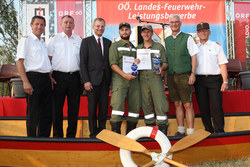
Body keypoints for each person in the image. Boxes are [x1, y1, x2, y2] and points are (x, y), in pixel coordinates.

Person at [16, 16, 52, 137]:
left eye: (42, 25)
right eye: (37, 24)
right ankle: (31, 140)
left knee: (46, 113)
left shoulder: (42, 43)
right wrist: (25, 82)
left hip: (45, 79)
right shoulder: (26, 40)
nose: (39, 27)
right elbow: (19, 62)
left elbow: (44, 63)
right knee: (33, 112)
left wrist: (49, 77)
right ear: (31, 25)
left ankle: (44, 140)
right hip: (33, 78)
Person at [47, 15, 82, 138]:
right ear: (61, 24)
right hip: (58, 77)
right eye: (66, 22)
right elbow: (48, 59)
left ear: (74, 25)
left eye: (71, 22)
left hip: (74, 78)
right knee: (57, 109)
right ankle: (57, 136)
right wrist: (49, 75)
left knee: (74, 109)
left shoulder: (79, 40)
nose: (68, 24)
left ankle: (71, 136)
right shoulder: (54, 39)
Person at [165, 14, 199, 136]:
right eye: (172, 22)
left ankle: (190, 131)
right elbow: (165, 60)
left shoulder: (187, 38)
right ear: (169, 24)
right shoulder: (166, 40)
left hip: (184, 75)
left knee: (187, 104)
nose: (174, 24)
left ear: (180, 23)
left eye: (176, 22)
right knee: (177, 103)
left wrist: (193, 73)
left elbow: (194, 56)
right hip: (171, 76)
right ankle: (180, 130)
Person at [80, 18, 112, 138]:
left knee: (104, 109)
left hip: (105, 81)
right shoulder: (86, 42)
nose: (100, 28)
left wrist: (111, 82)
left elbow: (110, 63)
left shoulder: (108, 43)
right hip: (91, 82)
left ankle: (102, 132)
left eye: (102, 26)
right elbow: (83, 63)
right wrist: (86, 80)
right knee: (92, 109)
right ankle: (93, 134)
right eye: (98, 26)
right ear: (93, 27)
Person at [195, 22, 228, 133]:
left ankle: (219, 131)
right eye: (200, 31)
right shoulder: (194, 48)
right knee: (203, 108)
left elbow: (222, 64)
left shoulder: (216, 46)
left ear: (209, 32)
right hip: (199, 80)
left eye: (205, 30)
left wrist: (225, 81)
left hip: (215, 80)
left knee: (216, 107)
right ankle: (208, 130)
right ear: (197, 34)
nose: (203, 33)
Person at [109, 22, 141, 134]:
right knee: (117, 108)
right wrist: (124, 75)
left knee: (134, 110)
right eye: (122, 30)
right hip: (120, 82)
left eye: (127, 29)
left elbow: (137, 66)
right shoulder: (115, 46)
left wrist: (138, 62)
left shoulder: (135, 48)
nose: (124, 32)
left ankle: (131, 136)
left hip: (134, 82)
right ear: (119, 32)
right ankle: (116, 137)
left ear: (130, 32)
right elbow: (113, 64)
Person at [137, 24, 169, 135]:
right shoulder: (137, 49)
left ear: (152, 33)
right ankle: (150, 130)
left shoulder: (159, 47)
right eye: (144, 32)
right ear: (141, 34)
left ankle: (162, 131)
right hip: (142, 79)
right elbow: (133, 66)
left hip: (155, 78)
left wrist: (161, 68)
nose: (146, 34)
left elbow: (165, 63)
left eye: (148, 32)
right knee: (146, 105)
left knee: (160, 104)